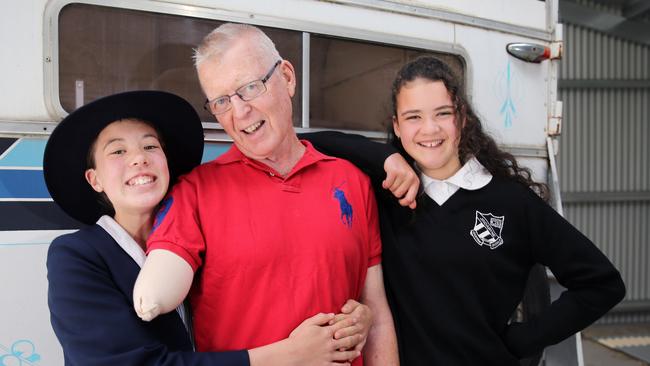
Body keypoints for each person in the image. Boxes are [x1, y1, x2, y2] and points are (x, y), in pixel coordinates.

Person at [302, 56, 627, 365]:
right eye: (413, 117)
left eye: (442, 113)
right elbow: (311, 142)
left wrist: (522, 341)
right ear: (397, 127)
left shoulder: (511, 202)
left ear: (463, 118)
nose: (429, 129)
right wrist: (384, 158)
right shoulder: (388, 193)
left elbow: (601, 284)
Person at [133, 23, 399, 366]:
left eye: (250, 88)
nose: (239, 112)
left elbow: (375, 310)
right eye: (221, 101)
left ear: (287, 77)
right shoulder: (195, 192)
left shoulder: (351, 182)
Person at [44, 90, 365, 366]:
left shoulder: (199, 236)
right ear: (94, 179)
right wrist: (288, 355)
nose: (139, 159)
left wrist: (356, 318)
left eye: (151, 146)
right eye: (117, 151)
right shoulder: (76, 256)